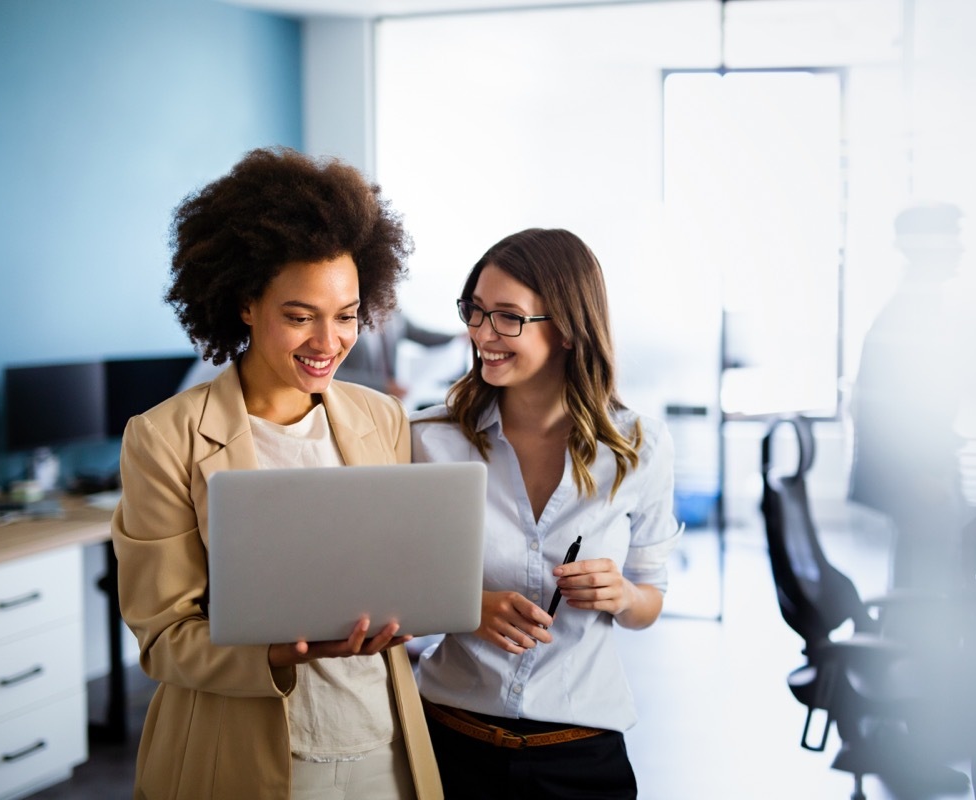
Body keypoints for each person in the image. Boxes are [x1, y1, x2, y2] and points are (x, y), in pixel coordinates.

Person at [111, 146, 442, 800]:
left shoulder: (384, 418)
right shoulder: (164, 437)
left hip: (380, 741)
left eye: (346, 315)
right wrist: (277, 653)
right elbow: (163, 637)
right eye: (299, 316)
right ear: (245, 304)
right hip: (251, 752)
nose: (328, 342)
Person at [410, 228, 682, 799]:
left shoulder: (639, 448)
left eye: (508, 317)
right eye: (476, 311)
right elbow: (383, 586)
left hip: (582, 753)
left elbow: (650, 599)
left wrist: (623, 596)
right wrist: (467, 608)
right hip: (449, 746)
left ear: (566, 327)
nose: (483, 334)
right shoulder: (428, 440)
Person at [847, 202, 969, 592]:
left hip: (927, 467)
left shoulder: (922, 308)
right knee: (925, 580)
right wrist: (922, 474)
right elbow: (891, 411)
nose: (960, 249)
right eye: (953, 240)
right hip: (919, 473)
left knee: (928, 572)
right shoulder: (910, 315)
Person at [336, 310, 458, 400]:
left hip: (388, 401)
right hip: (355, 400)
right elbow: (335, 375)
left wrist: (457, 338)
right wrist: (382, 386)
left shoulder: (392, 311)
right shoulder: (343, 318)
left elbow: (422, 336)